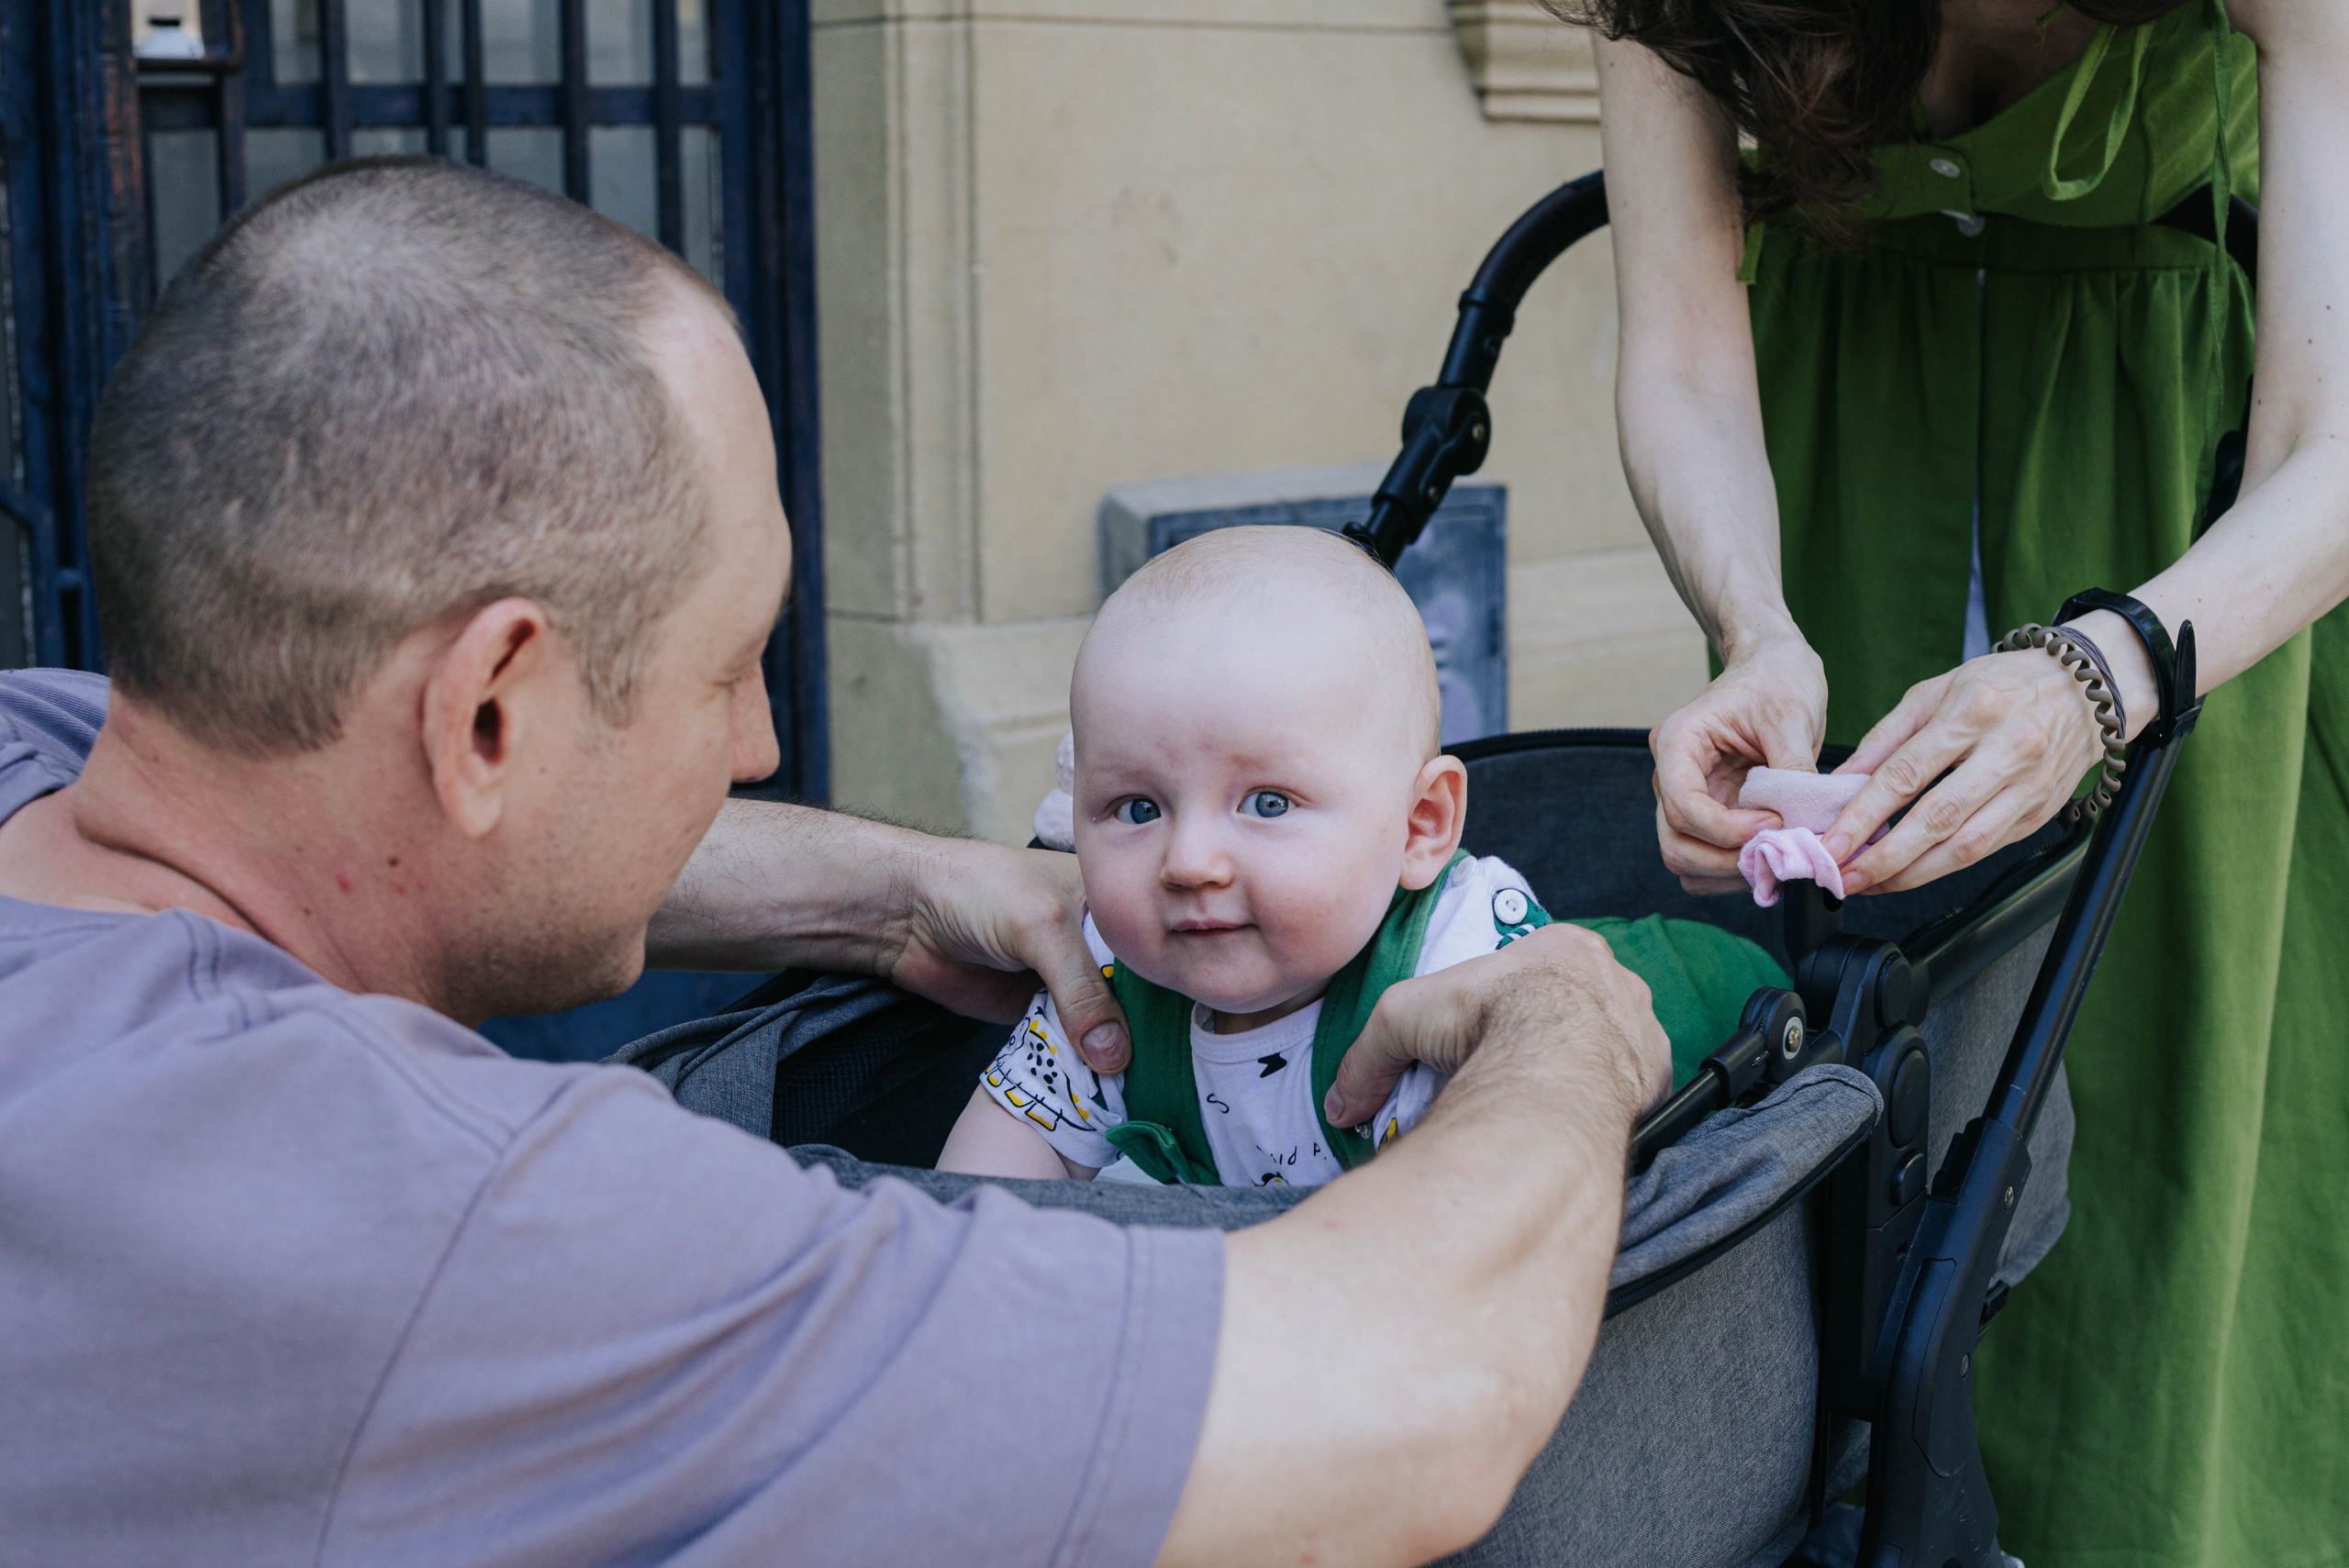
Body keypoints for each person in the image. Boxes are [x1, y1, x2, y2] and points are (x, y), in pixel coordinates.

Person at [0, 156, 1671, 1568]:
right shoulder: (474, 1237)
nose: (757, 744)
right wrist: (1568, 1033)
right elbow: (1416, 1400)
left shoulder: (48, 756)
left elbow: (368, 823)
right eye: (729, 668)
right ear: (490, 713)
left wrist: (889, 893)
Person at [1584, 0, 2349, 1560]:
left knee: (2173, 1128)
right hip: (1843, 472)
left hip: (2208, 544)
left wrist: (2104, 672)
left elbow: (2332, 435)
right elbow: (1680, 351)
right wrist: (1753, 623)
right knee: (1873, 1114)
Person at [941, 524, 1783, 1186]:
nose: (1189, 862)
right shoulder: (1105, 985)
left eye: (1268, 803)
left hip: (1718, 1011)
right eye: (1137, 808)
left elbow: (1482, 1235)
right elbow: (987, 1193)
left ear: (1420, 826)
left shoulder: (1463, 969)